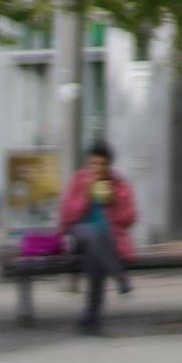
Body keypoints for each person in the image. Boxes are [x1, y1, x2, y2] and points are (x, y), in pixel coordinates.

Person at [53, 142, 135, 335]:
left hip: (106, 242)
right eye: (93, 164)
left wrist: (114, 202)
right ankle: (119, 276)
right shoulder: (79, 180)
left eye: (101, 164)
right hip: (75, 236)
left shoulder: (118, 185)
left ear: (108, 165)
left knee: (95, 254)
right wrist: (86, 195)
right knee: (91, 233)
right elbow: (67, 215)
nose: (96, 169)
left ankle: (90, 319)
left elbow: (129, 218)